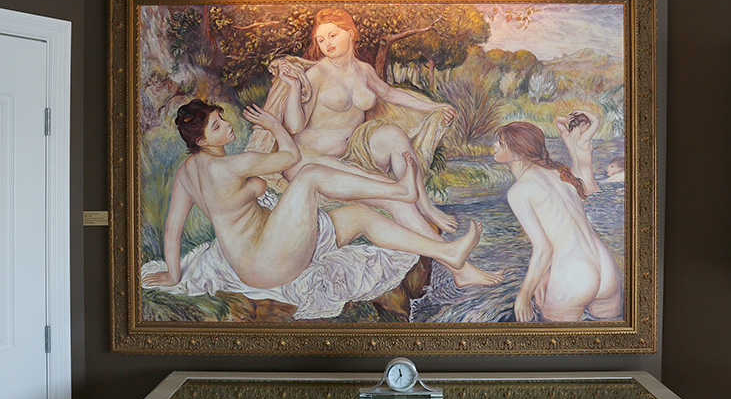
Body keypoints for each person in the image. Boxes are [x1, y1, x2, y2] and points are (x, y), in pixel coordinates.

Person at [246, 7, 504, 287]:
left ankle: (425, 206)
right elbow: (295, 126)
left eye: (333, 35)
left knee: (393, 134)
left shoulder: (364, 71)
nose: (327, 44)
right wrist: (295, 87)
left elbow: (390, 94)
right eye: (320, 40)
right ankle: (459, 269)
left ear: (350, 33)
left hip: (350, 155)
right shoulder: (317, 73)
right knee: (392, 197)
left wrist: (433, 107)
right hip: (310, 162)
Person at [142, 99, 482, 294]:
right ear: (202, 141)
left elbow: (173, 229)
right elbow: (291, 157)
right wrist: (275, 125)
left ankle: (447, 253)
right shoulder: (233, 165)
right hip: (268, 259)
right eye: (217, 126)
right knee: (309, 175)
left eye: (222, 118)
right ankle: (400, 190)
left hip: (257, 258)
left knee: (361, 217)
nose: (228, 126)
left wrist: (173, 275)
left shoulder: (186, 173)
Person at [493, 121, 623, 322]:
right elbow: (565, 230)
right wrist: (544, 275)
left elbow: (544, 248)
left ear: (518, 153)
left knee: (557, 340)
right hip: (606, 267)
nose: (494, 146)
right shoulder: (560, 174)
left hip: (574, 274)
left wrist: (524, 295)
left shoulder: (520, 190)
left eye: (500, 143)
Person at [554, 109, 601, 195]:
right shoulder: (583, 139)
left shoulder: (567, 137)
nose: (587, 130)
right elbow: (596, 120)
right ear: (583, 124)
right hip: (587, 184)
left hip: (573, 182)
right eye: (587, 127)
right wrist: (582, 111)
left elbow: (557, 120)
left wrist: (568, 120)